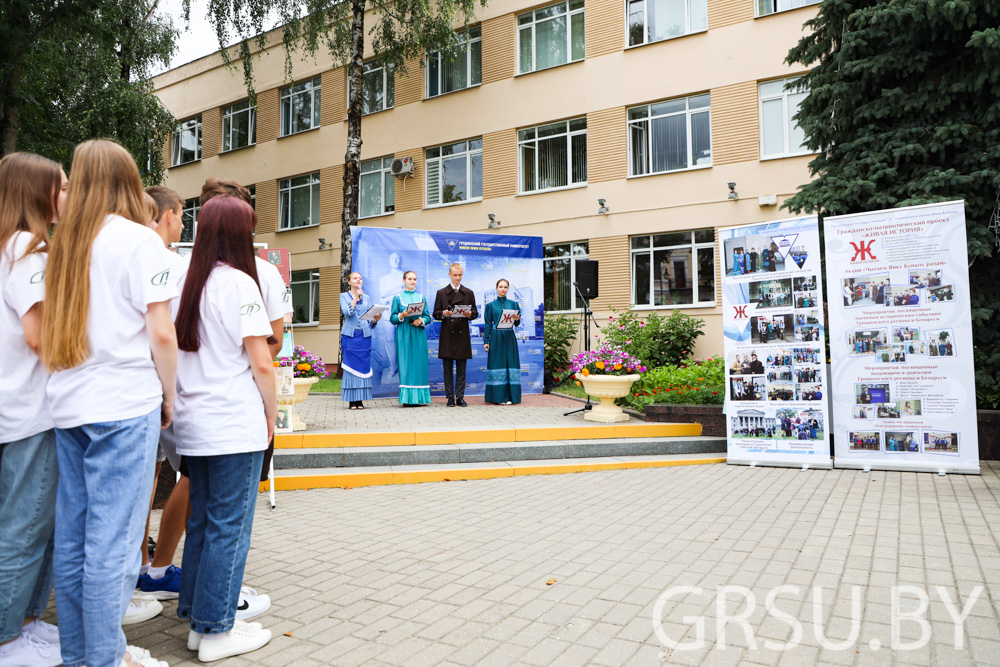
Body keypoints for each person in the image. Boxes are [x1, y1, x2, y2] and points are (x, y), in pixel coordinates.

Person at [41, 139, 177, 667]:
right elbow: (161, 335)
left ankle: (82, 655)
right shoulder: (141, 242)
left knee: (75, 538)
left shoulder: (65, 245)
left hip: (70, 405)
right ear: (129, 181)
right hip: (124, 403)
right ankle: (102, 657)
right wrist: (169, 394)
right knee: (113, 544)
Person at [171, 195, 276, 662]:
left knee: (203, 523)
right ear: (239, 234)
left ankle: (197, 619)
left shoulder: (184, 282)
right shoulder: (238, 284)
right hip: (234, 423)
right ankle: (215, 630)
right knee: (229, 528)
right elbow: (263, 364)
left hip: (194, 423)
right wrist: (272, 418)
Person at [0, 152, 66, 667]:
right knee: (25, 527)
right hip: (30, 411)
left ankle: (23, 623)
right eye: (61, 187)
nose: (67, 196)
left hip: (15, 407)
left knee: (26, 525)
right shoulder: (26, 248)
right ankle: (7, 637)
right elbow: (39, 334)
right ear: (38, 193)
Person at [132, 185, 189, 607]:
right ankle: (153, 568)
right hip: (155, 384)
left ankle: (139, 564)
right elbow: (168, 329)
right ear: (166, 215)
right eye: (182, 214)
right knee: (185, 473)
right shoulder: (169, 262)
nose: (184, 223)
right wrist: (169, 393)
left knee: (142, 481)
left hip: (127, 385)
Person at [432, 263, 478, 407]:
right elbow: (435, 313)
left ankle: (461, 397)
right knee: (447, 369)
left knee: (461, 369)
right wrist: (443, 314)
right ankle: (450, 397)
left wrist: (470, 314)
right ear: (449, 275)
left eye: (460, 275)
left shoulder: (468, 293)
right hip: (447, 334)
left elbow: (475, 312)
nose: (457, 278)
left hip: (462, 334)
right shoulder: (441, 293)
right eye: (455, 275)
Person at [340, 272, 381, 409]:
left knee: (363, 367)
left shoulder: (367, 298)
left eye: (360, 278)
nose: (358, 280)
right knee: (350, 367)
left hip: (364, 336)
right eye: (355, 278)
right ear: (349, 282)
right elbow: (347, 313)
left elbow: (368, 318)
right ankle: (352, 400)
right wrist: (356, 297)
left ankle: (360, 400)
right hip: (350, 336)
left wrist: (375, 319)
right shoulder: (344, 296)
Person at [390, 271, 432, 406]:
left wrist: (421, 320)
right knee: (406, 364)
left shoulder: (421, 296)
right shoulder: (397, 297)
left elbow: (428, 316)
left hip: (418, 333)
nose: (412, 281)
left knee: (419, 364)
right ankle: (408, 399)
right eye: (409, 279)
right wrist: (402, 315)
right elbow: (392, 318)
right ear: (404, 280)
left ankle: (420, 398)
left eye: (414, 279)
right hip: (404, 334)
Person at [483, 278, 522, 405]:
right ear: (496, 288)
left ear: (508, 289)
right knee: (497, 364)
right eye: (500, 287)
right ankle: (498, 397)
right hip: (496, 337)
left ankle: (512, 397)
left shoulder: (514, 304)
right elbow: (488, 325)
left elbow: (517, 323)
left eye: (505, 287)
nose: (503, 289)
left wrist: (517, 319)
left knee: (510, 364)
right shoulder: (490, 306)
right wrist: (486, 341)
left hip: (510, 336)